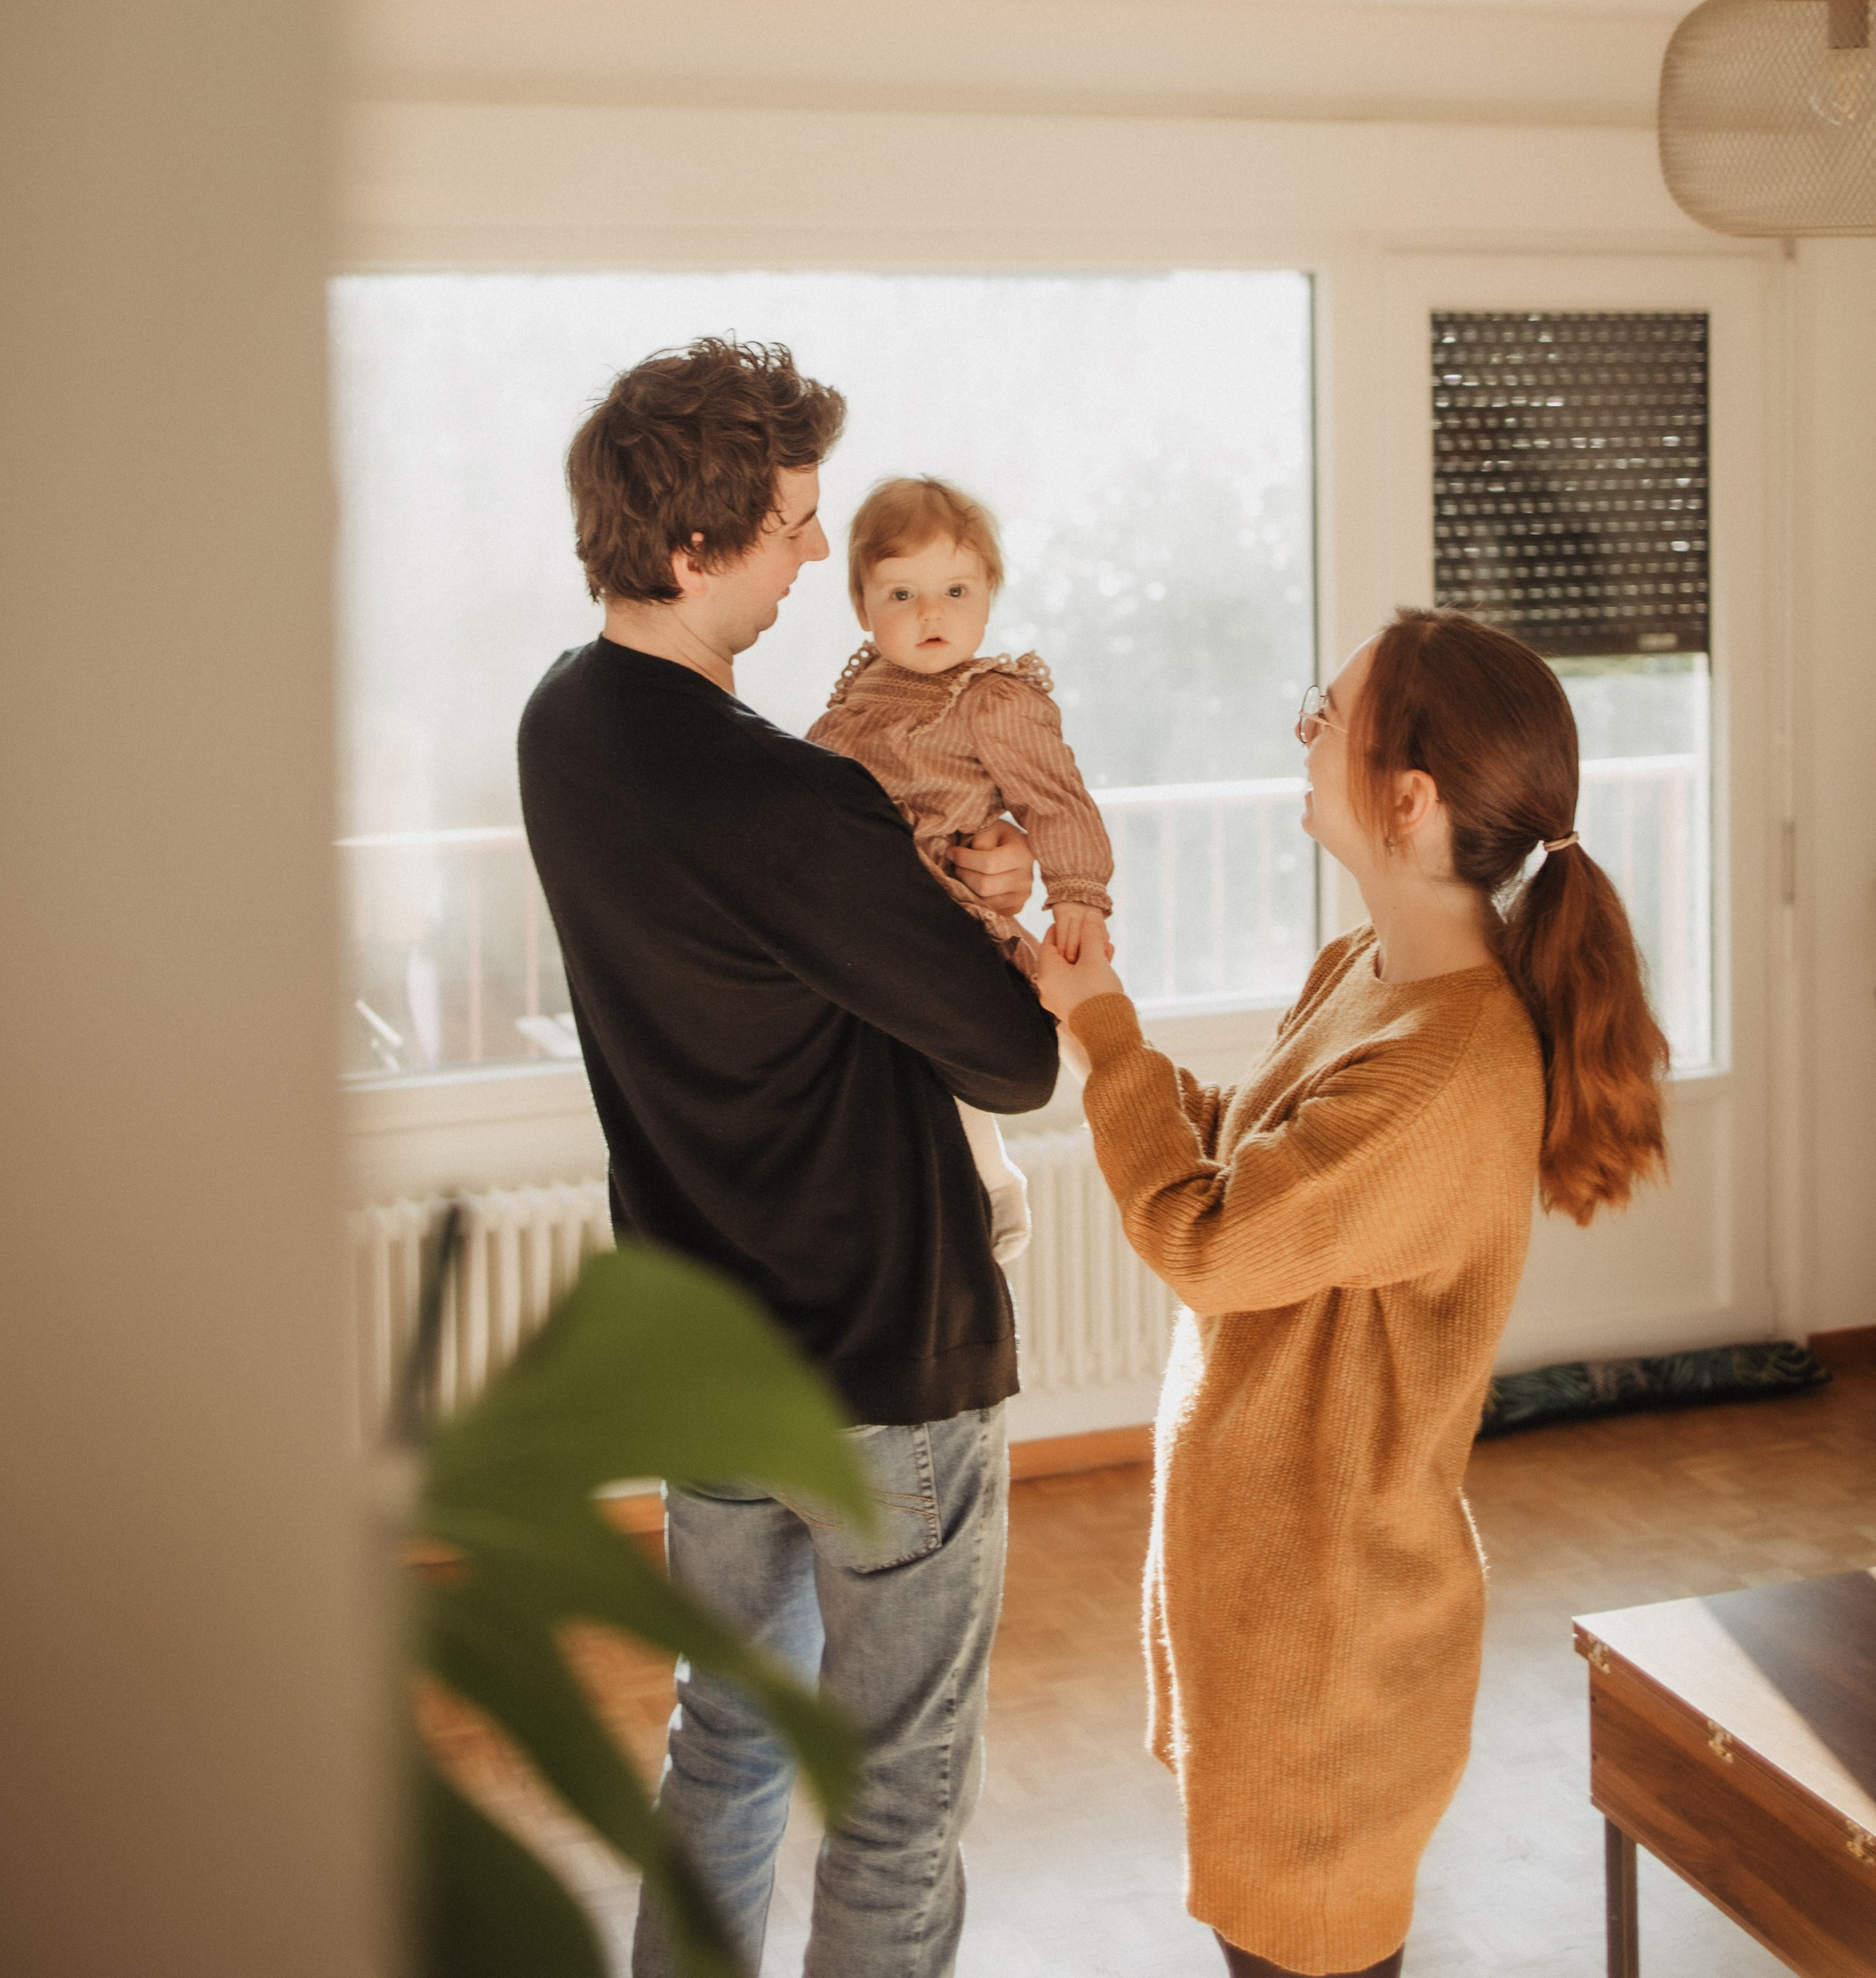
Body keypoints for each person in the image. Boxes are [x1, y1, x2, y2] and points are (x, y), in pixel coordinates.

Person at [516, 338, 1060, 1978]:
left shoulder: (561, 726)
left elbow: (755, 970)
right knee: (896, 1803)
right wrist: (999, 907)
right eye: (793, 524)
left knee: (725, 1746)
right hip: (880, 1365)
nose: (821, 554)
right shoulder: (790, 799)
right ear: (697, 550)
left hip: (707, 1358)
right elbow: (1013, 1056)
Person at [1030, 608, 1669, 1978]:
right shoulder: (1365, 976)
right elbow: (1252, 1158)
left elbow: (1209, 1237)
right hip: (1276, 1607)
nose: (1302, 730)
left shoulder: (1451, 1068)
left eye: (1326, 714)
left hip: (1331, 1646)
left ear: (1410, 798)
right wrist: (1092, 1017)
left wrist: (1104, 1034)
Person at [807, 473, 1114, 1267]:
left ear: (988, 594)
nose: (931, 614)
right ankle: (969, 1182)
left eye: (954, 590)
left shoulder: (990, 698)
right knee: (898, 1070)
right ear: (862, 607)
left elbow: (1055, 800)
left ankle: (1004, 1174)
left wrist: (1078, 894)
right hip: (864, 918)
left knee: (1001, 1039)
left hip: (940, 908)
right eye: (900, 594)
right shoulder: (855, 700)